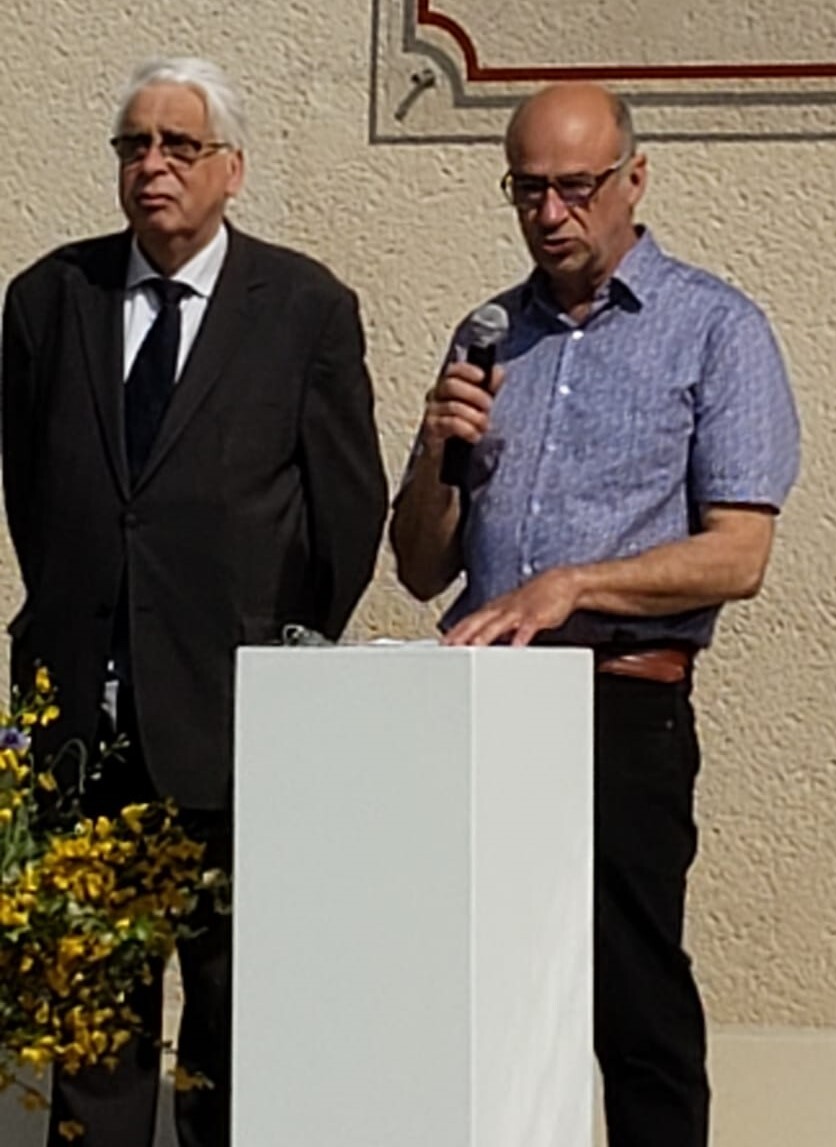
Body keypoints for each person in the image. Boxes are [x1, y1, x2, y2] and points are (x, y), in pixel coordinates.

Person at [390, 82, 799, 1147]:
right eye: (529, 190)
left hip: (619, 710)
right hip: (481, 714)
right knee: (475, 1000)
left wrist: (573, 584)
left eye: (576, 187)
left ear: (634, 179)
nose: (552, 213)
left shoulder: (715, 329)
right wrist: (438, 451)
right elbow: (420, 564)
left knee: (635, 1005)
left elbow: (739, 553)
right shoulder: (488, 335)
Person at [1, 56, 387, 1147]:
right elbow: (40, 500)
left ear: (233, 169)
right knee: (95, 1020)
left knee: (235, 1017)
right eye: (133, 146)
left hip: (237, 722)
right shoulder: (49, 300)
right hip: (87, 724)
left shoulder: (303, 306)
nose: (152, 166)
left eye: (178, 145)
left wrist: (279, 660)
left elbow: (343, 514)